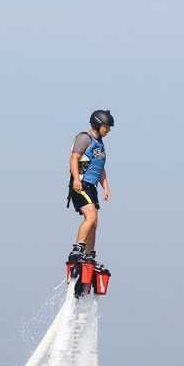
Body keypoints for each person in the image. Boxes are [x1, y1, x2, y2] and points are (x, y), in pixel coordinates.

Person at [67, 109, 114, 268]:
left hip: (91, 187)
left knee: (94, 223)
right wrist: (75, 180)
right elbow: (74, 158)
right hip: (80, 184)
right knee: (91, 217)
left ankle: (89, 255)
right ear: (98, 124)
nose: (108, 130)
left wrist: (106, 187)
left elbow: (100, 167)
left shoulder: (99, 143)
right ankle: (77, 249)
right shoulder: (84, 138)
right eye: (106, 127)